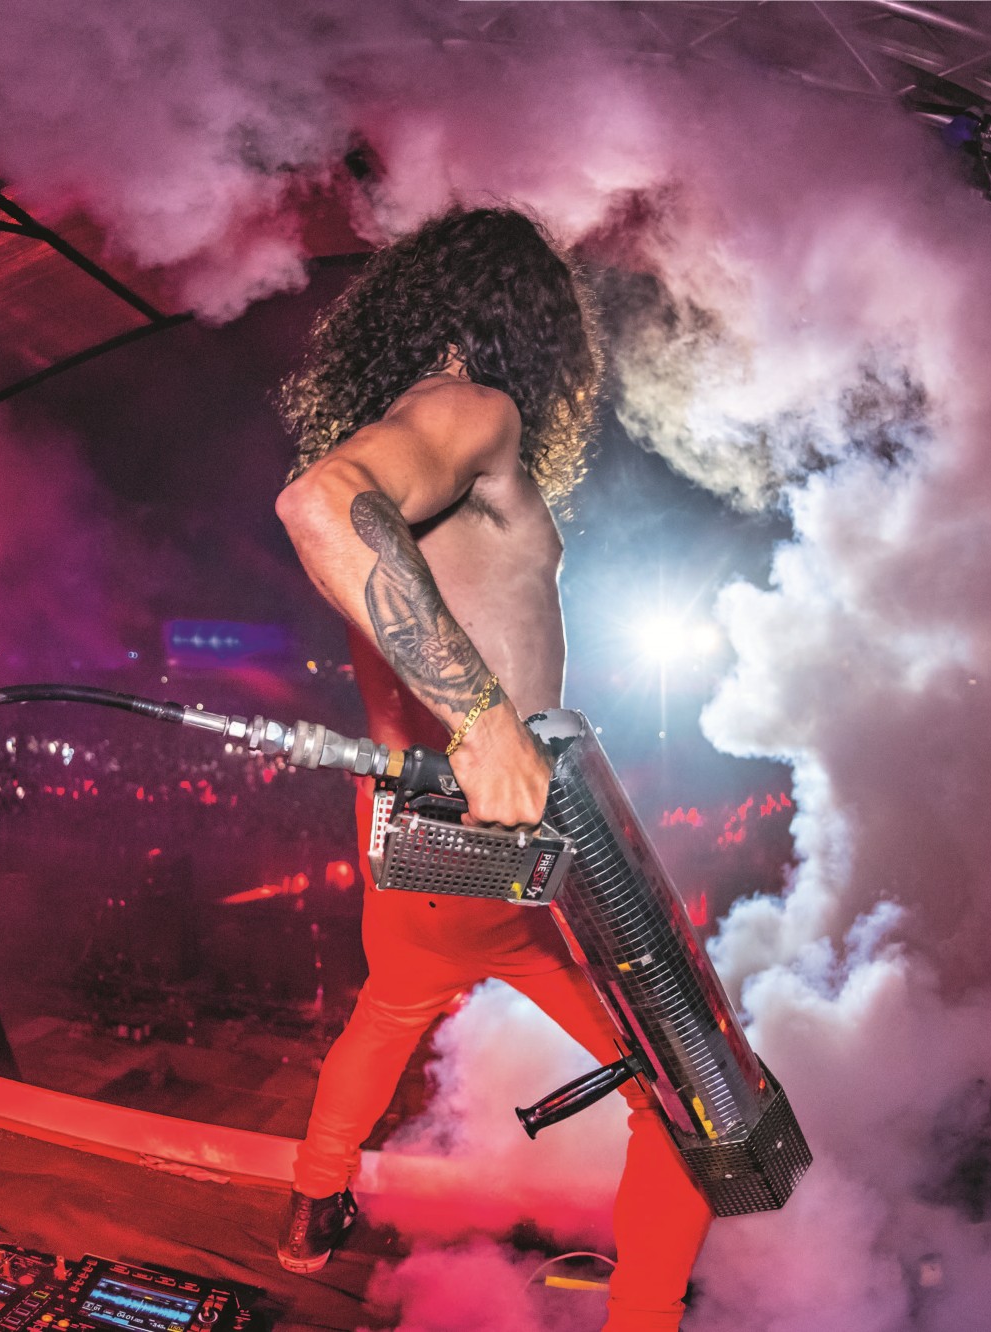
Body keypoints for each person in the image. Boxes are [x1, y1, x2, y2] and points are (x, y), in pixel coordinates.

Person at [272, 207, 716, 1332]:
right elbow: (319, 503)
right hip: (498, 859)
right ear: (525, 323)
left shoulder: (414, 427)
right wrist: (484, 723)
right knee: (693, 1099)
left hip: (412, 857)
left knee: (386, 1011)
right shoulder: (474, 406)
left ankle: (313, 1203)